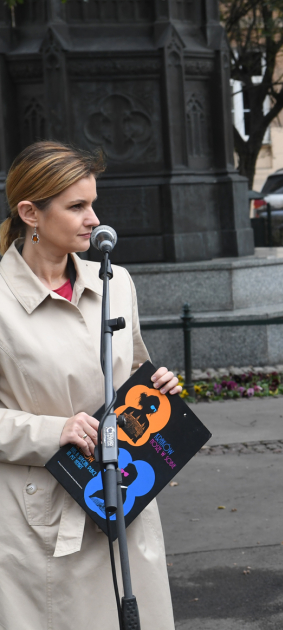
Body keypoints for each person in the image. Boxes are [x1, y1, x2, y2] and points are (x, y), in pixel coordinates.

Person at [0, 142, 180, 629]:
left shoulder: (116, 280)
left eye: (93, 204)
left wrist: (160, 386)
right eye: (76, 207)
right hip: (42, 513)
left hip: (125, 497)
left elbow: (133, 370)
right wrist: (51, 431)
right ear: (29, 213)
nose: (92, 219)